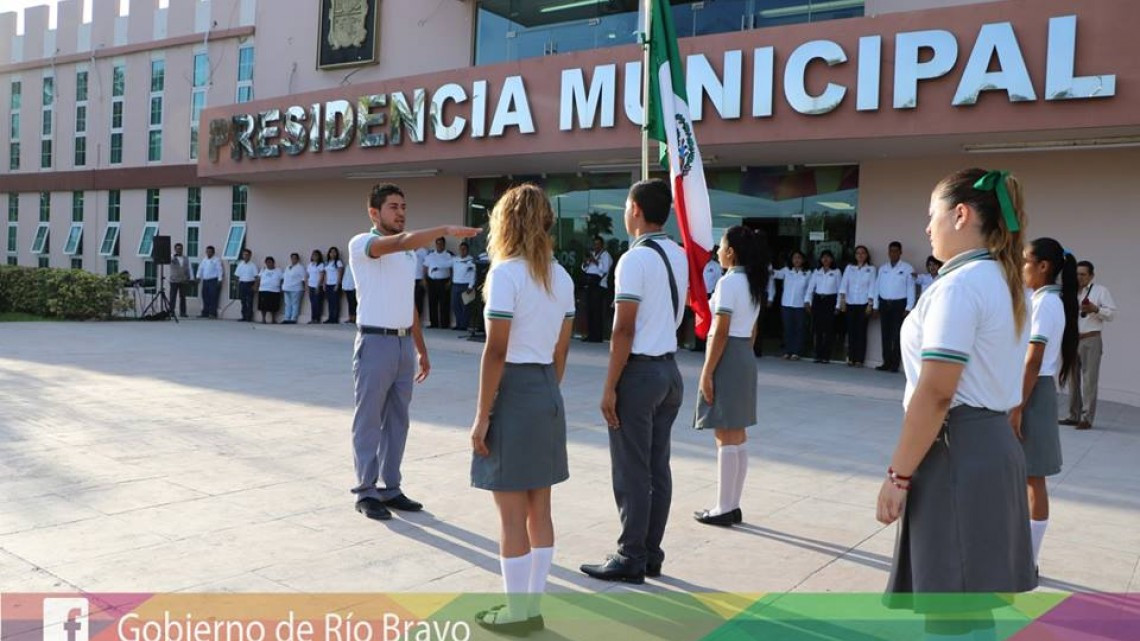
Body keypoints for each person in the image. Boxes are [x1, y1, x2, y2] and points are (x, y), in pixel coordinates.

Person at [879, 168, 1036, 628]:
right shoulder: (1003, 282)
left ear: (961, 214)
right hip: (985, 448)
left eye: (933, 215)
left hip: (956, 452)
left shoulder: (960, 286)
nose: (927, 228)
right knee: (969, 609)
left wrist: (898, 474)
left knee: (951, 615)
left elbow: (936, 392)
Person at [469, 184, 576, 634]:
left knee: (511, 513)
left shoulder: (506, 274)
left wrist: (482, 415)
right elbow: (561, 352)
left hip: (512, 390)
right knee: (540, 509)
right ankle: (530, 608)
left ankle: (517, 615)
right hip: (547, 389)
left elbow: (495, 351)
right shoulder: (562, 276)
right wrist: (545, 390)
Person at [348, 183, 478, 522]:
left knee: (398, 420)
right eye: (393, 207)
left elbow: (410, 304)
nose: (401, 212)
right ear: (374, 213)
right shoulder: (363, 244)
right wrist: (447, 230)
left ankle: (391, 487)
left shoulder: (409, 255)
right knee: (369, 419)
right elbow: (403, 240)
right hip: (375, 342)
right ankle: (366, 490)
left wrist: (421, 349)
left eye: (403, 206)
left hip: (404, 343)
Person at [581, 179, 688, 584]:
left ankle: (630, 555)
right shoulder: (677, 254)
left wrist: (610, 385)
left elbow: (623, 329)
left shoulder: (633, 259)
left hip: (640, 372)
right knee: (657, 468)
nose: (625, 214)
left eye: (626, 206)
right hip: (669, 370)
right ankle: (650, 552)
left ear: (637, 210)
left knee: (631, 470)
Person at [693, 226, 768, 527]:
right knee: (738, 434)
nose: (718, 251)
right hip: (744, 356)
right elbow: (752, 330)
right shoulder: (753, 281)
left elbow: (720, 331)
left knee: (724, 434)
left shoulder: (728, 282)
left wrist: (708, 371)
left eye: (721, 246)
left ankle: (724, 507)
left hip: (726, 355)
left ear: (731, 252)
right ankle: (732, 504)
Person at [1011, 237, 1078, 568]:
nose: (1022, 267)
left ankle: (1028, 561)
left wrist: (1017, 407)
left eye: (1025, 261)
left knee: (1034, 478)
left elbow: (1033, 361)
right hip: (1030, 391)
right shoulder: (1041, 300)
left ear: (1043, 267)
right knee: (1025, 478)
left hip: (1033, 392)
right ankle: (1021, 554)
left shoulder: (1046, 304)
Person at [1062, 260, 1117, 430]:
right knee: (1072, 379)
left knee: (1089, 380)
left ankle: (1087, 418)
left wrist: (1095, 309)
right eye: (1077, 274)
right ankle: (1073, 415)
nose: (1079, 277)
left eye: (1083, 274)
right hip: (1072, 340)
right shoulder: (1071, 292)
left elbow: (1112, 314)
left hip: (1091, 339)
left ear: (1091, 275)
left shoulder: (1101, 291)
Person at [874, 241, 915, 372]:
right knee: (885, 335)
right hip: (884, 304)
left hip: (899, 305)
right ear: (888, 252)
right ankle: (886, 362)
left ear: (900, 252)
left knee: (897, 335)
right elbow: (877, 287)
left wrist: (909, 307)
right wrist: (875, 305)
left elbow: (911, 288)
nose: (893, 253)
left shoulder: (908, 268)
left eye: (896, 251)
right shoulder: (883, 268)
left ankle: (895, 364)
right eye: (891, 251)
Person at [839, 245, 876, 367]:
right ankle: (851, 357)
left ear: (867, 255)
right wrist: (842, 301)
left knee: (861, 332)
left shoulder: (871, 269)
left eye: (863, 253)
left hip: (863, 304)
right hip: (850, 303)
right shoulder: (849, 268)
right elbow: (844, 284)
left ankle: (859, 359)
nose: (860, 255)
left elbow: (872, 286)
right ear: (854, 256)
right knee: (851, 332)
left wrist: (870, 304)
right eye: (858, 253)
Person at [770, 250, 810, 360]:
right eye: (794, 258)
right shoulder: (786, 271)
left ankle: (797, 352)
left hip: (800, 304)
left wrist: (808, 302)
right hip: (787, 304)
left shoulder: (807, 273)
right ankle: (788, 350)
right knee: (788, 328)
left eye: (799, 258)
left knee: (799, 328)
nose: (797, 260)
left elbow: (809, 289)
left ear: (803, 260)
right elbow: (775, 274)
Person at [805, 249, 842, 364]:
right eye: (823, 257)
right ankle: (818, 354)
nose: (825, 260)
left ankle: (826, 355)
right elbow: (811, 288)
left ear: (832, 259)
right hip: (818, 301)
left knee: (828, 330)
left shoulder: (836, 272)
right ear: (820, 260)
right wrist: (807, 301)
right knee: (818, 330)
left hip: (830, 301)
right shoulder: (817, 272)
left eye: (828, 257)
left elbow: (840, 290)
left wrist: (838, 305)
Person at [582, 235, 614, 343]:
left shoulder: (606, 256)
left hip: (599, 285)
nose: (595, 246)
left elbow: (604, 269)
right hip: (590, 282)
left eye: (597, 244)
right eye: (594, 244)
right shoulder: (593, 254)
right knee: (590, 310)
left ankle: (597, 336)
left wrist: (595, 261)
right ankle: (590, 334)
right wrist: (587, 262)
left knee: (597, 311)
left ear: (602, 245)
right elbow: (585, 269)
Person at [423, 238, 454, 329]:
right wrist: (424, 279)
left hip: (444, 281)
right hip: (432, 282)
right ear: (436, 245)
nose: (439, 245)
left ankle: (444, 324)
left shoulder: (449, 255)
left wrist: (450, 281)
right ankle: (434, 323)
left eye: (441, 244)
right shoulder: (431, 255)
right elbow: (425, 267)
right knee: (432, 303)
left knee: (444, 303)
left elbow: (452, 269)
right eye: (438, 244)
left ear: (444, 245)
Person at [451, 242, 477, 330]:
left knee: (465, 306)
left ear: (467, 250)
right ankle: (458, 324)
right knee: (455, 305)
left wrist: (471, 285)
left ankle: (464, 325)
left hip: (465, 286)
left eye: (464, 249)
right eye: (461, 249)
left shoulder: (470, 260)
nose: (462, 251)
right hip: (456, 285)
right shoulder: (455, 259)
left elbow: (473, 274)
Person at [197, 245, 223, 319]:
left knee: (213, 297)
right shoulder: (204, 260)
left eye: (210, 252)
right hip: (205, 280)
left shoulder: (216, 260)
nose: (208, 253)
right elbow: (200, 268)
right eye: (207, 251)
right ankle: (205, 312)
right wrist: (198, 276)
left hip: (213, 281)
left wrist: (220, 280)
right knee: (205, 296)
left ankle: (212, 313)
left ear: (213, 252)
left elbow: (219, 270)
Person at [169, 242, 193, 318]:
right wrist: (174, 255)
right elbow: (169, 259)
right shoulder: (172, 257)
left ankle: (183, 312)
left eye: (180, 249)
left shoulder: (185, 258)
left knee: (183, 297)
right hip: (174, 280)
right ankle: (171, 311)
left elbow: (189, 268)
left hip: (183, 280)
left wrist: (191, 277)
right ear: (175, 249)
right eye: (177, 249)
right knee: (173, 297)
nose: (179, 250)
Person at [234, 248, 258, 322]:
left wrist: (255, 286)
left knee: (249, 301)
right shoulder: (240, 264)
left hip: (250, 284)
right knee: (243, 301)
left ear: (250, 256)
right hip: (242, 284)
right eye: (244, 255)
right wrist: (236, 284)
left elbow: (256, 277)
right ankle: (244, 316)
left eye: (247, 255)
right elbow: (237, 275)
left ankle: (249, 317)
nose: (245, 256)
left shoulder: (253, 265)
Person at [257, 256, 283, 324]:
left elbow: (282, 279)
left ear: (273, 263)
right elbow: (258, 279)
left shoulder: (278, 270)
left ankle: (273, 319)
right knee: (263, 306)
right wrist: (256, 286)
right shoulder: (263, 270)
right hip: (263, 289)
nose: (269, 264)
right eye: (267, 262)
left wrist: (281, 288)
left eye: (270, 262)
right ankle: (263, 319)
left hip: (274, 290)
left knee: (274, 306)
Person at [281, 252, 306, 324]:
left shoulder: (300, 267)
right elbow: (284, 277)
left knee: (295, 304)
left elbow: (304, 278)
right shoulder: (288, 267)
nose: (293, 259)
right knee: (287, 304)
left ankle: (293, 319)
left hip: (296, 288)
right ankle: (287, 318)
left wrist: (305, 288)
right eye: (292, 258)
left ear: (297, 259)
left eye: (295, 258)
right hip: (287, 288)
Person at [325, 246, 345, 324]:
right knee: (330, 302)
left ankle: (335, 318)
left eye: (334, 252)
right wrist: (324, 284)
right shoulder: (327, 263)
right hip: (328, 284)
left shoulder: (338, 262)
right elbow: (326, 274)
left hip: (335, 284)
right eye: (331, 252)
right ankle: (330, 317)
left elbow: (340, 273)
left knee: (335, 302)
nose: (332, 254)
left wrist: (337, 284)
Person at [306, 250, 325, 324]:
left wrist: (318, 286)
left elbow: (321, 276)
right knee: (312, 303)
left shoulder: (321, 265)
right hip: (311, 285)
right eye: (313, 255)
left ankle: (317, 318)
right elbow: (307, 275)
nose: (314, 256)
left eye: (316, 255)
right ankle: (313, 318)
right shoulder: (310, 265)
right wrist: (306, 285)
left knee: (317, 303)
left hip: (317, 286)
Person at [414, 247, 428, 322]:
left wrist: (424, 278)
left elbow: (426, 265)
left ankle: (417, 320)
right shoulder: (407, 250)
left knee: (418, 300)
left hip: (419, 279)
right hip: (409, 280)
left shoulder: (423, 251)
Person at [342, 259, 357, 324]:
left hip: (353, 287)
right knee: (350, 303)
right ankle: (350, 318)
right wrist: (343, 285)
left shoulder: (356, 266)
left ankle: (354, 318)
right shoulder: (348, 266)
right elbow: (346, 276)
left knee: (354, 304)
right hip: (347, 287)